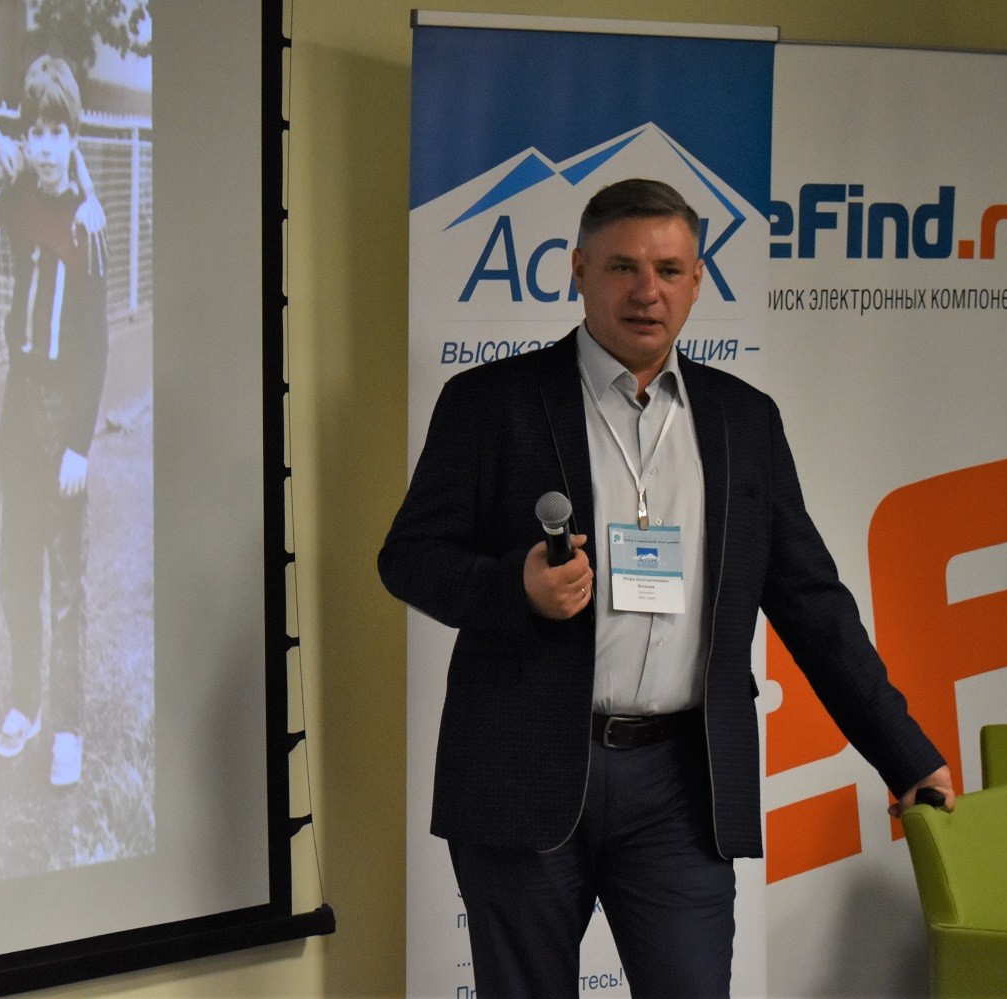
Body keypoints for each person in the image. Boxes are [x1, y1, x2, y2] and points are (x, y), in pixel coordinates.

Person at [378, 178, 955, 997]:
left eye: (670, 269)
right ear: (579, 270)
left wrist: (906, 756)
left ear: (697, 280)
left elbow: (813, 604)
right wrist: (517, 588)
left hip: (682, 785)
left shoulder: (744, 420)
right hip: (524, 769)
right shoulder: (489, 403)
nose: (647, 291)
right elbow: (409, 557)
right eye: (623, 267)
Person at [0, 55, 110, 786]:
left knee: (66, 585)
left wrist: (79, 444)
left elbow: (96, 346)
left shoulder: (87, 227)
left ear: (72, 136)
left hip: (65, 410)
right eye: (34, 131)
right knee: (16, 571)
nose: (43, 144)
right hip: (19, 406)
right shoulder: (17, 201)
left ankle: (67, 725)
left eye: (56, 131)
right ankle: (25, 703)